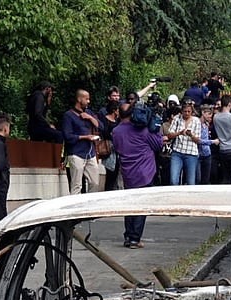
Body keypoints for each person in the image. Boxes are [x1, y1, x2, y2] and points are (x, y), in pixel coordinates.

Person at [111, 103, 163, 248]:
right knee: (142, 206)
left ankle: (128, 235)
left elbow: (116, 148)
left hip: (127, 172)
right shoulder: (144, 130)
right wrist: (156, 127)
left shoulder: (116, 131)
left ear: (119, 114)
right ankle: (135, 238)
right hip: (145, 172)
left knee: (130, 205)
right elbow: (158, 145)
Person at [60, 89, 101, 196]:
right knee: (76, 185)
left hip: (90, 153)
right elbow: (67, 136)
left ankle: (90, 205)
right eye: (86, 99)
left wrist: (90, 117)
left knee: (95, 183)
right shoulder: (68, 116)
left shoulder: (88, 112)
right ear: (79, 99)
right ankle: (76, 209)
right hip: (76, 154)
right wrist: (85, 137)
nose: (88, 101)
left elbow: (99, 126)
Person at [166, 101, 201, 185]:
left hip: (191, 153)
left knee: (190, 182)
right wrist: (179, 133)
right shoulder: (177, 119)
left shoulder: (196, 121)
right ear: (181, 111)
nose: (187, 113)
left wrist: (191, 135)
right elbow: (169, 135)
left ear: (192, 112)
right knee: (173, 180)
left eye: (189, 111)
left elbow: (198, 140)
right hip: (177, 152)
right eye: (185, 111)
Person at [197, 106, 218, 185]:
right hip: (198, 154)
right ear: (203, 113)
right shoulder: (197, 124)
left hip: (207, 154)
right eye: (208, 114)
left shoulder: (207, 124)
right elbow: (198, 140)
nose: (210, 116)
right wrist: (212, 142)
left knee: (206, 179)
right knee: (198, 178)